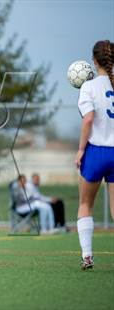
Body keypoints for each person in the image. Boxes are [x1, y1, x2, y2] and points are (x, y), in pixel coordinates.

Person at [75, 40, 114, 271]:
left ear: (94, 61)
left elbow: (88, 119)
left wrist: (80, 150)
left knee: (85, 204)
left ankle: (87, 256)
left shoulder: (88, 87)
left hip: (97, 152)